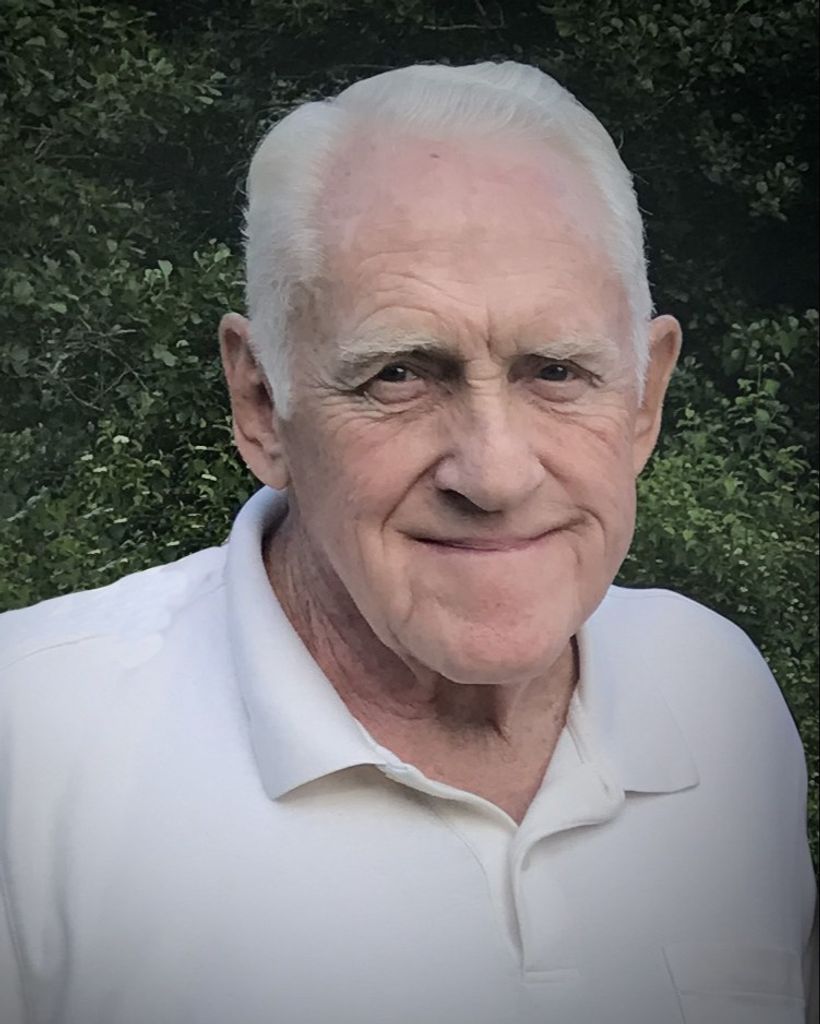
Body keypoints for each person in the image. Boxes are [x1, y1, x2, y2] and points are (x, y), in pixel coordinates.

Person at [0, 61, 815, 1024]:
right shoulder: (31, 745)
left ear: (644, 399)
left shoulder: (719, 688)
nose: (495, 474)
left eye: (557, 370)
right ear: (261, 404)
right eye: (398, 374)